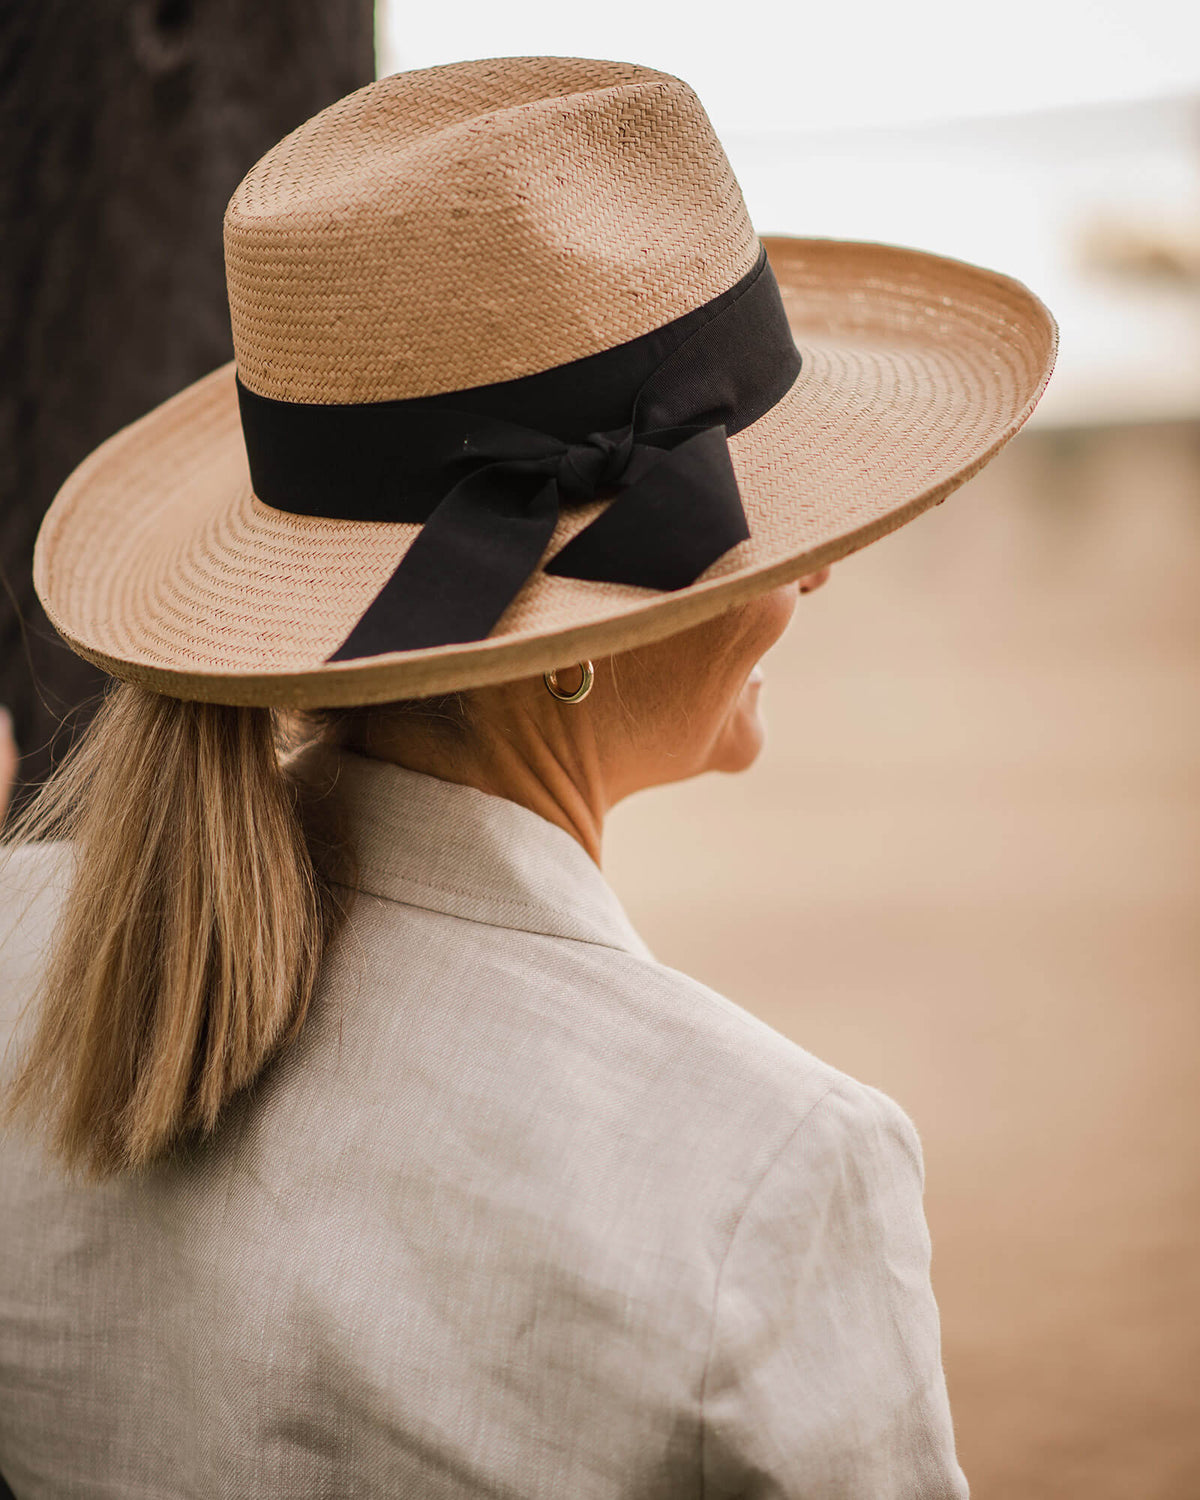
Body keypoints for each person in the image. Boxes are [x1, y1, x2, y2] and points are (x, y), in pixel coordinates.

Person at [0, 56, 1055, 1498]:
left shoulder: (21, 947)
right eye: (758, 523)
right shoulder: (766, 1169)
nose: (812, 570)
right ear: (566, 641)